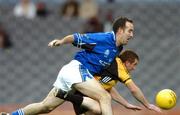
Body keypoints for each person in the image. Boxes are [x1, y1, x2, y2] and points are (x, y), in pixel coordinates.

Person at [0, 17, 134, 115]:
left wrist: (125, 103)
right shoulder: (103, 39)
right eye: (129, 31)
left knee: (46, 107)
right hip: (76, 70)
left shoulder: (118, 48)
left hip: (75, 74)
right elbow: (75, 37)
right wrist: (60, 41)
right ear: (120, 30)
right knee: (104, 97)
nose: (132, 35)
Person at [65, 50, 162, 115]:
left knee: (102, 110)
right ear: (127, 62)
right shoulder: (120, 69)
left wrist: (126, 104)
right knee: (100, 110)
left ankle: (67, 96)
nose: (134, 68)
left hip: (83, 96)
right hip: (83, 94)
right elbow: (134, 89)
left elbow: (109, 89)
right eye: (134, 64)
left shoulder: (114, 65)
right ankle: (67, 96)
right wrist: (148, 105)